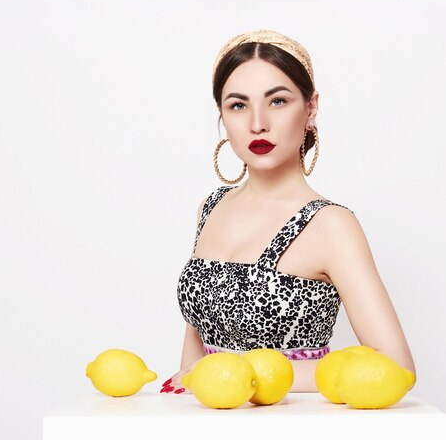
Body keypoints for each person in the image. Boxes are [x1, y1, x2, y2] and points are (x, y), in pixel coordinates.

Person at [160, 29, 416, 395]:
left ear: (310, 108)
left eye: (277, 101)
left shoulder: (330, 225)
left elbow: (395, 365)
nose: (257, 122)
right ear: (222, 115)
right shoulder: (211, 207)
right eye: (238, 105)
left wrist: (244, 372)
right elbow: (196, 343)